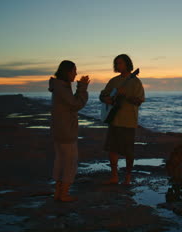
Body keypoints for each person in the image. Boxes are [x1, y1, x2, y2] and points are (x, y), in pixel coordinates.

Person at [100, 54, 145, 185]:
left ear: (127, 64)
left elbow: (139, 101)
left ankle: (127, 178)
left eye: (120, 63)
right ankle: (114, 176)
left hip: (128, 120)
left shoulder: (136, 82)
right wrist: (106, 99)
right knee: (112, 148)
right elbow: (102, 95)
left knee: (128, 151)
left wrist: (126, 96)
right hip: (114, 119)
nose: (117, 66)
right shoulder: (113, 81)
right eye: (116, 63)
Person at [48, 60, 90, 201]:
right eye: (74, 71)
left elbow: (71, 103)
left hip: (59, 130)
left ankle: (58, 192)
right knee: (70, 162)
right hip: (65, 130)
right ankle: (64, 193)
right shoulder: (62, 87)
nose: (76, 73)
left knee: (60, 160)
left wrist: (80, 87)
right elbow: (75, 104)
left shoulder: (60, 86)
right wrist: (83, 87)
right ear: (67, 72)